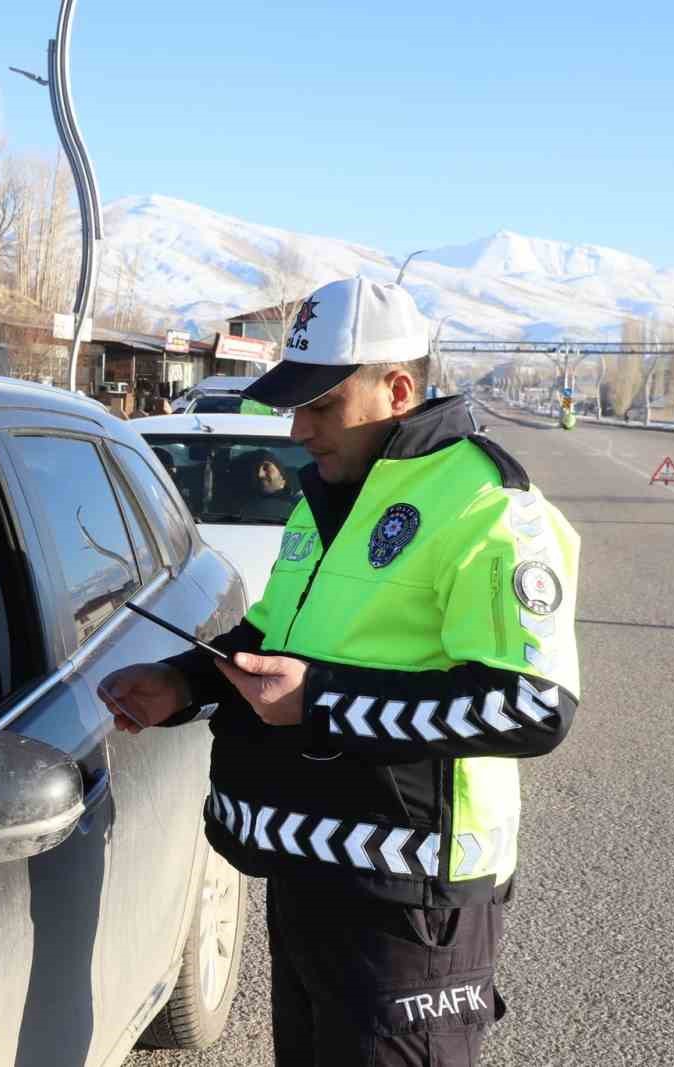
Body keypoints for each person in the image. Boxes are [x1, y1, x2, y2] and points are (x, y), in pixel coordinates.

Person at [100, 276, 580, 1066]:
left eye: (321, 407)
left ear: (397, 390)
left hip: (410, 908)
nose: (296, 429)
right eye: (295, 405)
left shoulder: (487, 504)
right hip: (309, 877)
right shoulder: (329, 495)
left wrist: (321, 704)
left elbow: (533, 704)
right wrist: (185, 682)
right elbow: (273, 634)